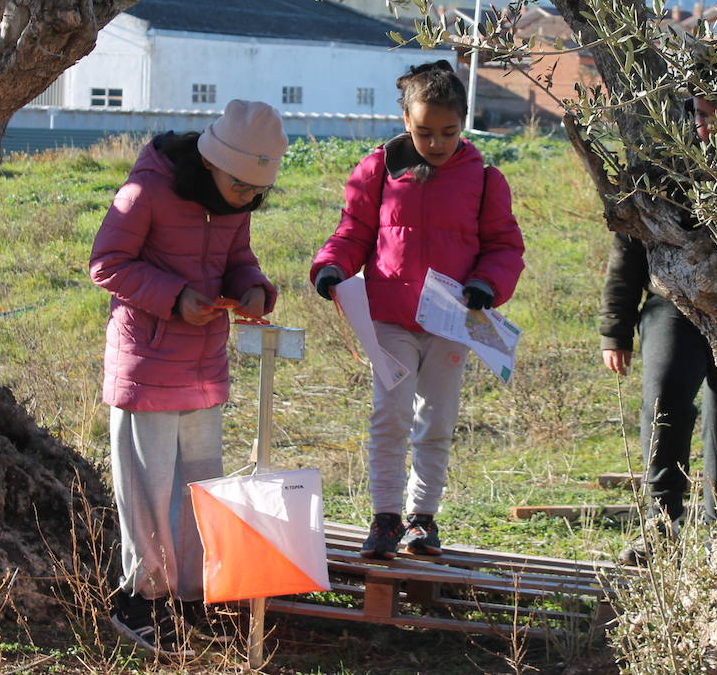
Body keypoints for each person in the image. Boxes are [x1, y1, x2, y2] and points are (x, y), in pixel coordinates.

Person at [89, 100, 287, 655]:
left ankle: (190, 599)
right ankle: (141, 601)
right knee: (148, 490)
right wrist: (175, 298)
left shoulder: (235, 199)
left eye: (257, 191)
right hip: (146, 366)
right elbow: (106, 262)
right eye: (241, 185)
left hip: (203, 367)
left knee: (201, 487)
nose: (249, 197)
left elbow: (238, 257)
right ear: (212, 162)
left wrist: (253, 288)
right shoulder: (147, 189)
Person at [311, 61, 526, 559]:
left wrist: (485, 284)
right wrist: (330, 267)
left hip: (451, 321)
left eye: (449, 132)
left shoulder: (486, 178)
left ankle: (422, 520)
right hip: (389, 319)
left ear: (463, 122)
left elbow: (504, 246)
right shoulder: (376, 169)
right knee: (390, 417)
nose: (436, 142)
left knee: (438, 418)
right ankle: (384, 518)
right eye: (425, 131)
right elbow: (353, 233)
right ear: (406, 120)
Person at [600, 232, 717, 565]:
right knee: (663, 401)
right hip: (672, 301)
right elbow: (628, 245)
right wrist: (614, 330)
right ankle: (661, 525)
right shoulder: (653, 178)